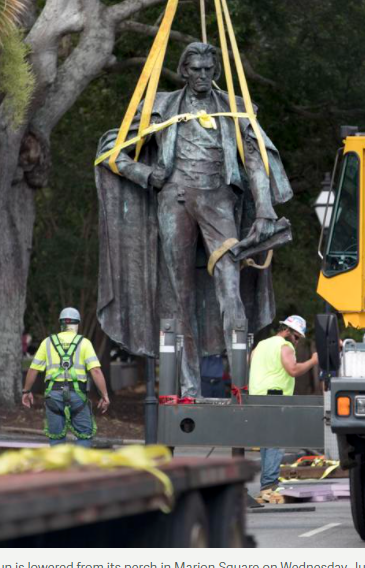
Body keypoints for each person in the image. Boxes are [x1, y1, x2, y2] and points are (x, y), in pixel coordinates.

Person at [96, 42, 292, 399]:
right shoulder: (162, 106)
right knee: (179, 295)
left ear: (215, 71)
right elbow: (110, 150)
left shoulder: (232, 109)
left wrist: (265, 209)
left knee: (231, 290)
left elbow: (255, 159)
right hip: (175, 199)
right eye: (196, 69)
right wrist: (144, 174)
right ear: (184, 71)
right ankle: (188, 385)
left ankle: (240, 386)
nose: (203, 75)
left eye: (208, 69)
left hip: (219, 201)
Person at [248, 315, 318, 500]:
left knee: (266, 443)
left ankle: (266, 484)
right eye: (296, 337)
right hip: (274, 397)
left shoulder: (262, 345)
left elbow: (251, 363)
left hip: (258, 397)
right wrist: (312, 361)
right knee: (275, 442)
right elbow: (293, 370)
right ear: (287, 332)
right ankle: (269, 486)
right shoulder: (284, 346)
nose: (296, 342)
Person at [21, 307, 110, 447]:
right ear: (77, 324)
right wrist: (104, 395)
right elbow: (96, 371)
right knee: (84, 434)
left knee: (56, 436)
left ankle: (60, 468)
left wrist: (26, 391)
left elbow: (33, 370)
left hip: (53, 395)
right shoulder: (84, 343)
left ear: (61, 324)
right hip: (77, 395)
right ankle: (79, 467)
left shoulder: (47, 342)